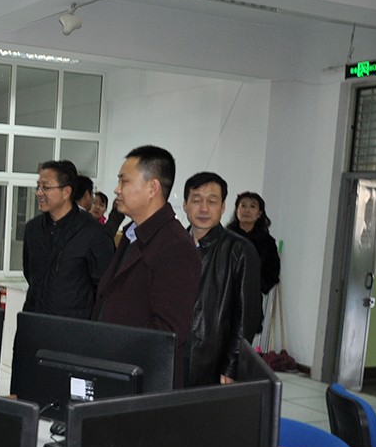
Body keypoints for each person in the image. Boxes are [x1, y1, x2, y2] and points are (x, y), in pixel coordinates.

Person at [92, 145, 201, 387]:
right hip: (115, 370)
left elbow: (167, 331)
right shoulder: (132, 234)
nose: (117, 189)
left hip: (142, 379)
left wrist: (114, 349)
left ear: (152, 188)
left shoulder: (175, 245)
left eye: (124, 181)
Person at [182, 172, 262, 387]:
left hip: (212, 361)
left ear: (223, 207)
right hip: (173, 355)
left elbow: (246, 315)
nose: (203, 208)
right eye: (196, 200)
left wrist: (231, 364)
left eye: (212, 201)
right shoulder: (173, 246)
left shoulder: (240, 250)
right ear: (185, 205)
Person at [22, 160, 115, 318]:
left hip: (73, 325)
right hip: (34, 321)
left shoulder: (93, 233)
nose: (39, 193)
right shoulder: (33, 229)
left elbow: (104, 289)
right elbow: (30, 273)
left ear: (66, 192)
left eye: (46, 187)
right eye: (38, 187)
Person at [227, 191, 280, 296]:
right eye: (243, 206)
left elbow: (272, 271)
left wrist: (258, 285)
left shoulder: (267, 242)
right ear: (237, 210)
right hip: (224, 295)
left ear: (259, 214)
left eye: (252, 206)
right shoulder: (225, 238)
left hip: (251, 296)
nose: (247, 210)